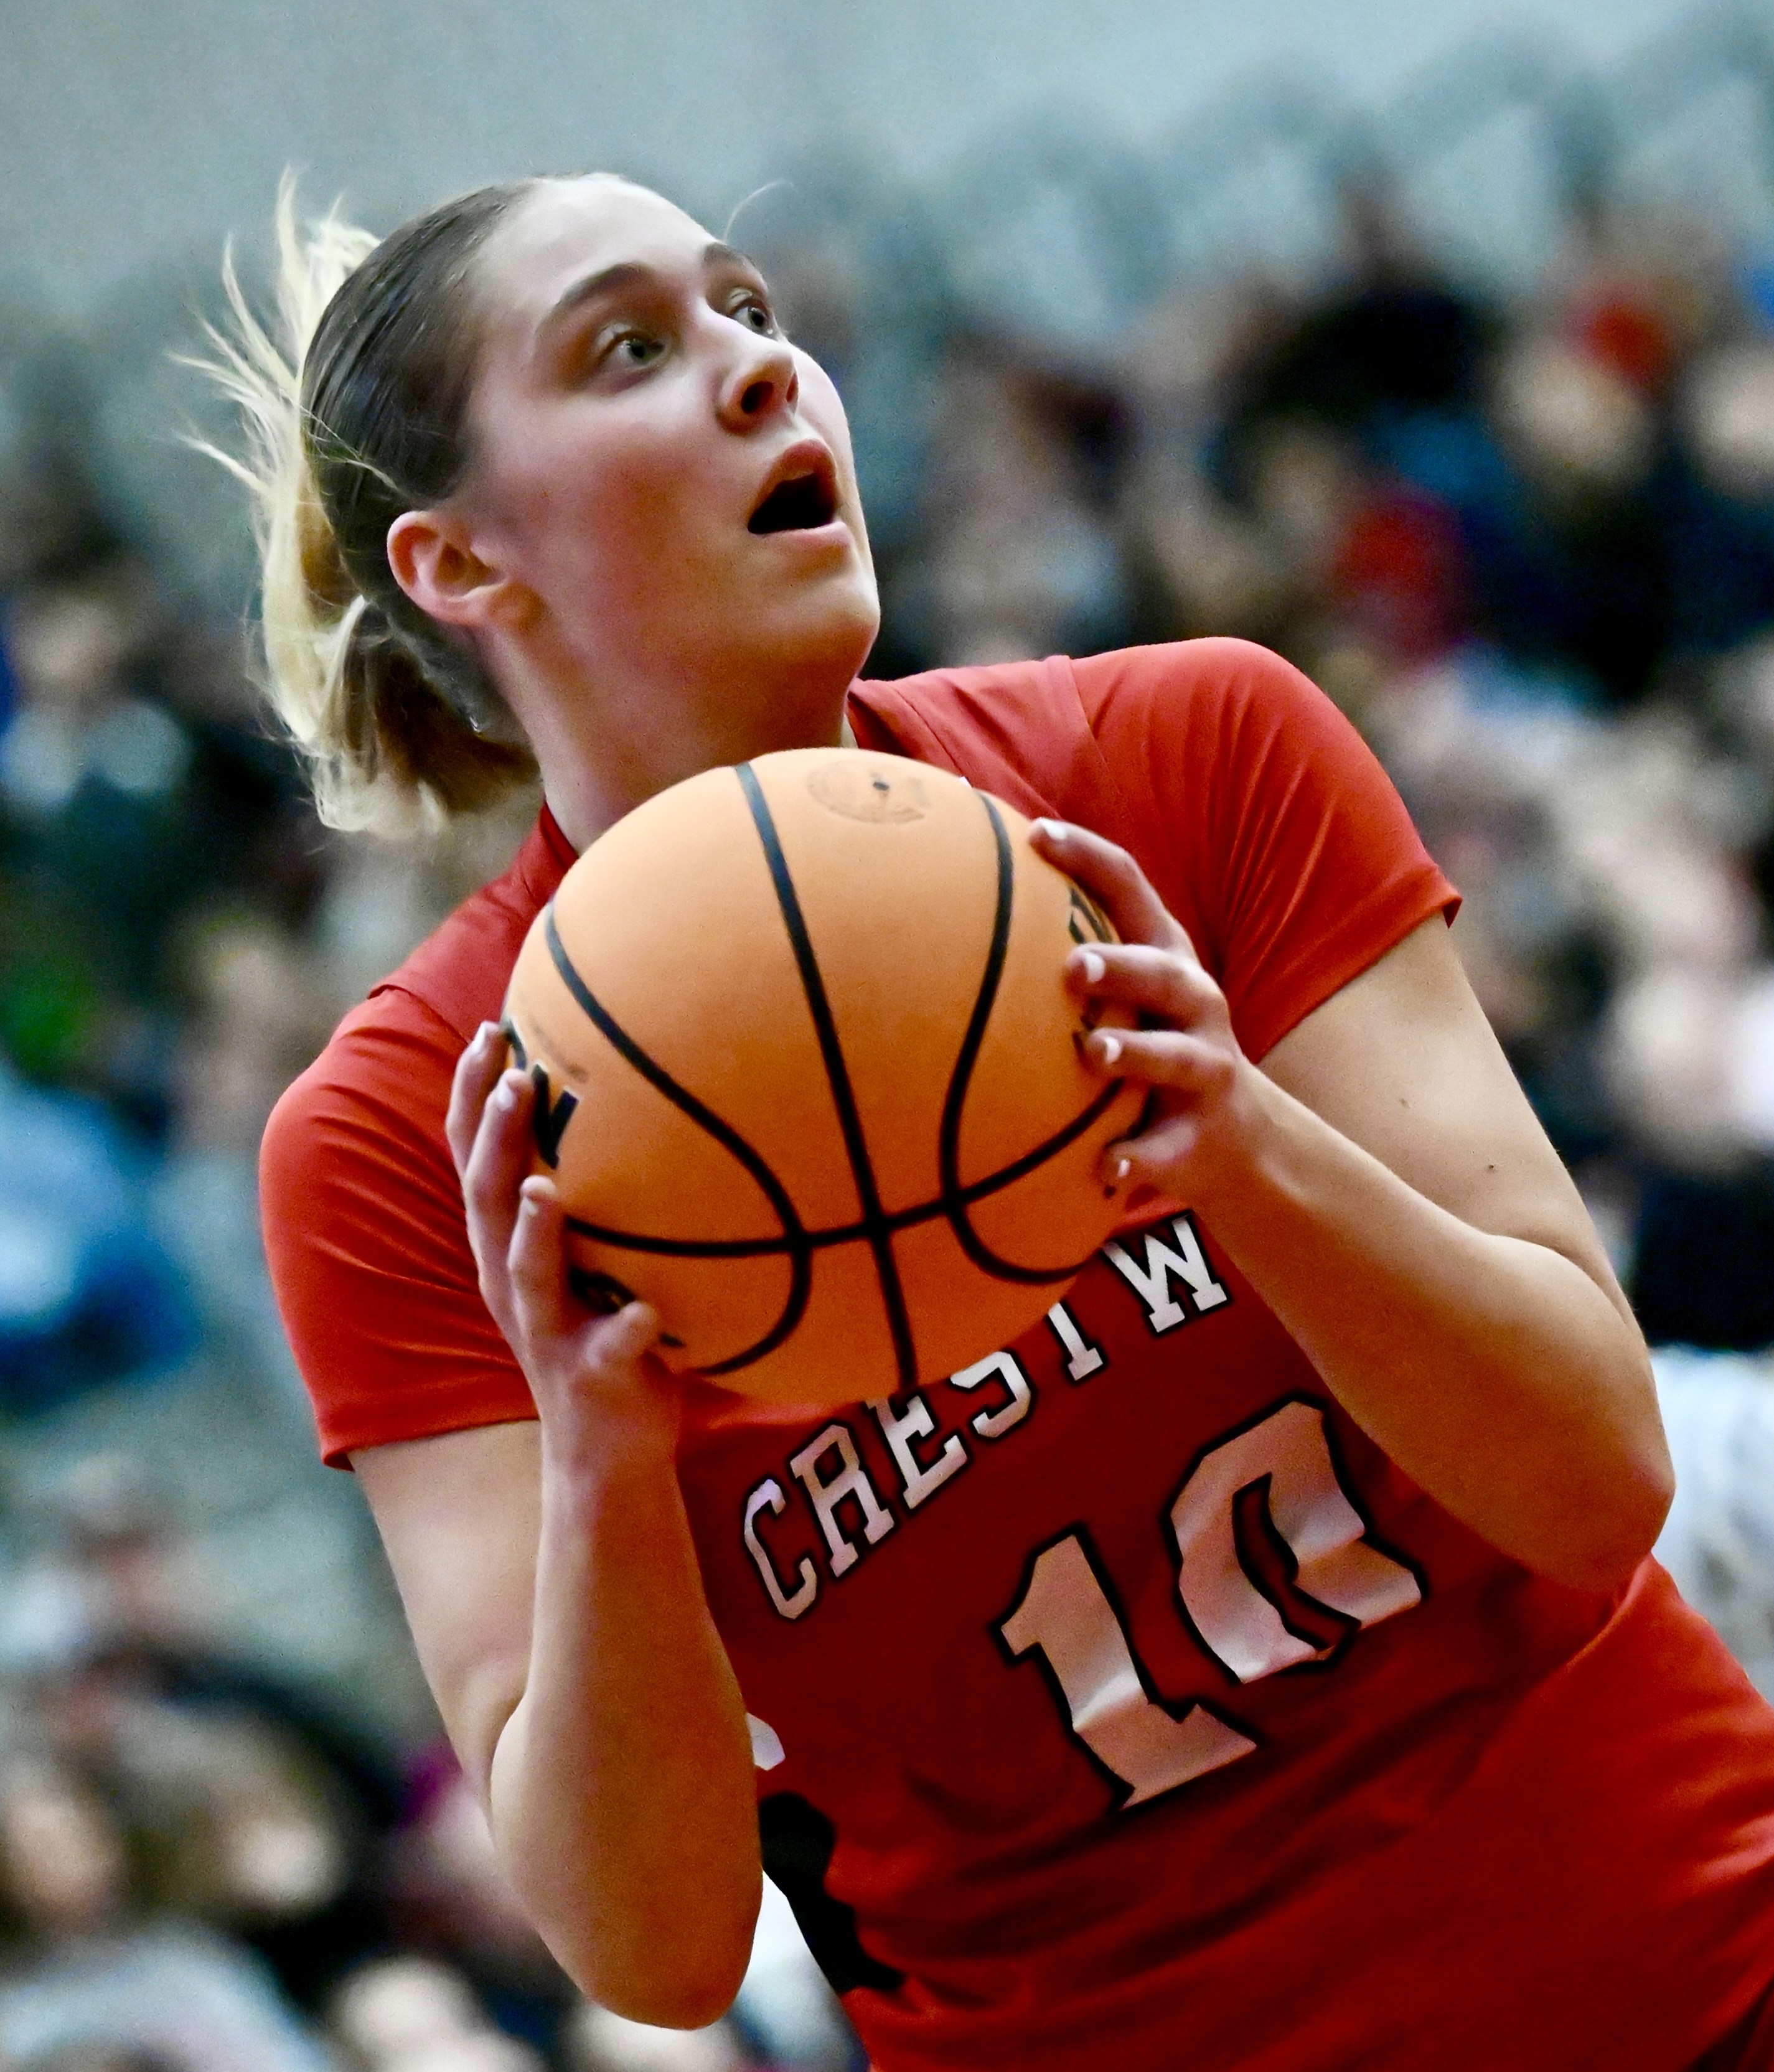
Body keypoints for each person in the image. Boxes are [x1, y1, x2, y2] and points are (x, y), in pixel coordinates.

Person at [215, 171, 1774, 2070]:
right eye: (633, 347)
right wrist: (606, 1466)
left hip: (1700, 1975)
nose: (763, 370)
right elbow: (659, 1950)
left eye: (752, 308)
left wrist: (1244, 1155)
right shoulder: (410, 1130)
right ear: (458, 563)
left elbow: (1596, 1481)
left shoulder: (1191, 748)